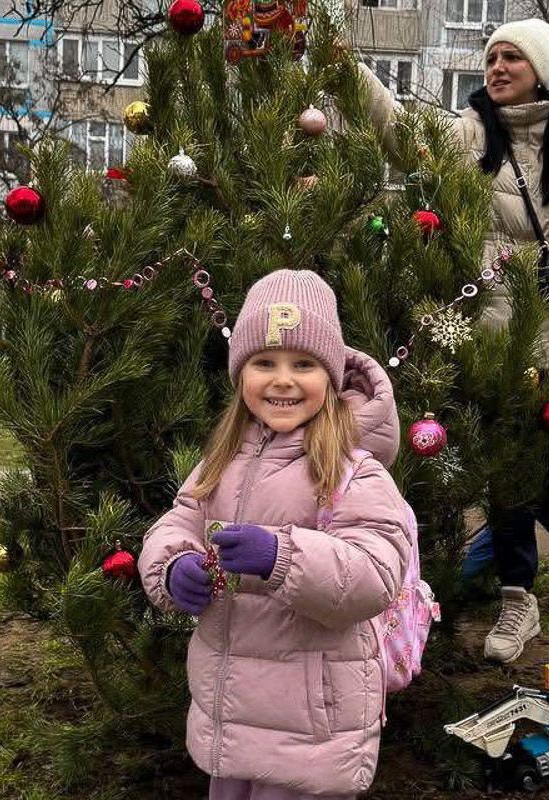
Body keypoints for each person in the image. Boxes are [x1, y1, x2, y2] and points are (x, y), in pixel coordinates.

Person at [356, 17, 549, 662]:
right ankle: (518, 595)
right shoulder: (464, 139)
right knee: (513, 471)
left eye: (510, 58)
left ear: (541, 70)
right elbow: (397, 131)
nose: (495, 68)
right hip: (499, 337)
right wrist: (346, 69)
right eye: (490, 57)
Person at [138, 270, 412, 799]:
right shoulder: (222, 458)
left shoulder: (355, 470)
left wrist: (281, 557)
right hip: (229, 716)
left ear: (330, 377)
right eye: (264, 362)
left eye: (303, 364)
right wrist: (171, 567)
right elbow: (179, 521)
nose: (282, 380)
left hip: (312, 727)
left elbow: (376, 572)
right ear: (241, 375)